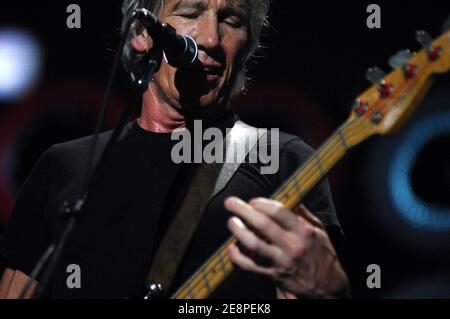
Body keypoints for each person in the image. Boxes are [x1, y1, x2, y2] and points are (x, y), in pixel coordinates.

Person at [0, 0, 349, 299]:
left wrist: (326, 287)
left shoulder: (281, 160)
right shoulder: (64, 165)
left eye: (232, 21)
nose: (211, 38)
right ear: (141, 35)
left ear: (248, 46)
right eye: (190, 12)